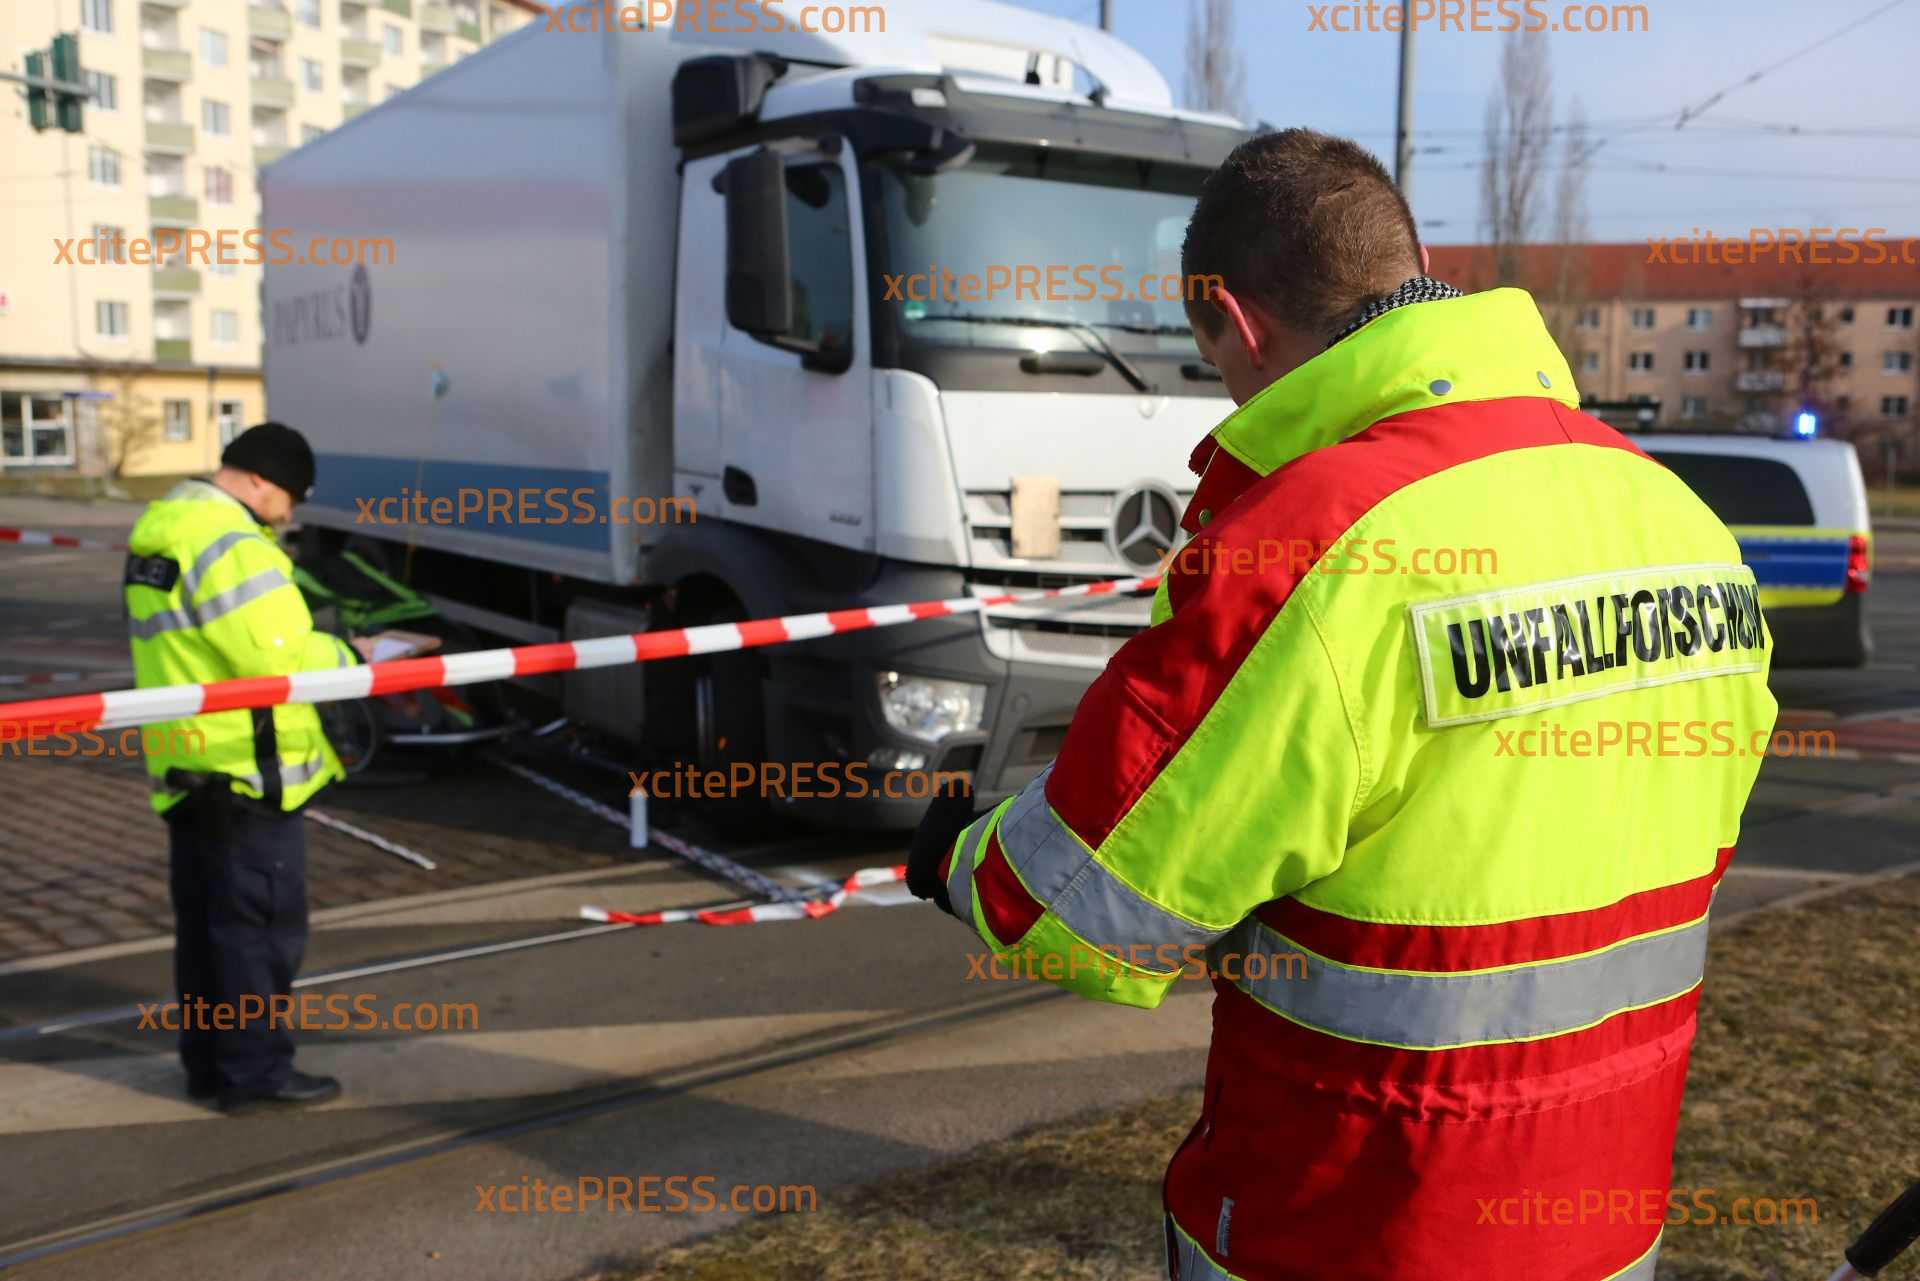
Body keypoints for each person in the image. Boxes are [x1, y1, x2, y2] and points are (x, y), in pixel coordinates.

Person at [907, 129, 1778, 1281]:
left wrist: (956, 856)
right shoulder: (1674, 515)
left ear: (1235, 319)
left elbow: (1083, 901)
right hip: (1607, 1222)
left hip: (1357, 1221)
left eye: (1212, 357)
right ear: (1415, 267)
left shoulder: (1313, 543)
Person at [125, 421, 367, 1113]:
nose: (289, 515)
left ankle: (210, 1066)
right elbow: (281, 660)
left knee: (207, 936)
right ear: (261, 480)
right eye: (291, 497)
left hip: (189, 770)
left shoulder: (162, 531)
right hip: (248, 774)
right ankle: (256, 1072)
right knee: (259, 936)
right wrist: (357, 655)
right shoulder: (231, 543)